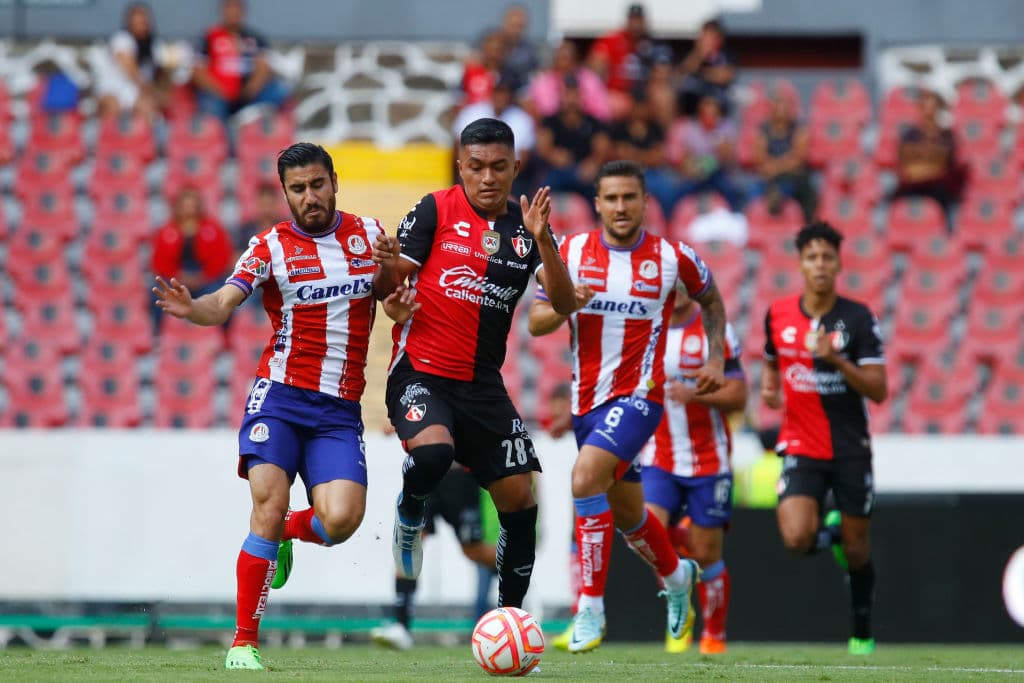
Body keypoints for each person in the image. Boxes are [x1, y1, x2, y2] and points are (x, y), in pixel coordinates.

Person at [152, 143, 409, 671]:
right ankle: (243, 642)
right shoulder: (269, 246)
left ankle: (292, 531)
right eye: (298, 189)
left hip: (339, 409)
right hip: (281, 398)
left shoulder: (368, 234)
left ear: (334, 182)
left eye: (317, 185)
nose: (310, 197)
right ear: (285, 193)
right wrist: (192, 308)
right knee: (265, 507)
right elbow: (223, 302)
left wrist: (392, 285)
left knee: (341, 522)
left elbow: (387, 290)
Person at [371, 119, 576, 619]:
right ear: (461, 166)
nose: (487, 178)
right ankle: (409, 511)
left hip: (483, 386)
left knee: (520, 500)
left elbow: (565, 302)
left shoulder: (529, 229)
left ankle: (510, 618)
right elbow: (387, 287)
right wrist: (387, 276)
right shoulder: (434, 208)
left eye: (498, 167)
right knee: (435, 454)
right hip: (421, 371)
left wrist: (542, 240)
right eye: (477, 167)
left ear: (515, 168)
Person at [527, 159, 728, 653]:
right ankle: (677, 576)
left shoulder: (672, 257)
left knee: (583, 477)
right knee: (632, 518)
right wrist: (565, 303)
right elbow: (535, 322)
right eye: (611, 198)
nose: (620, 207)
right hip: (586, 404)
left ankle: (589, 609)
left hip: (641, 397)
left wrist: (718, 355)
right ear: (597, 204)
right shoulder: (570, 251)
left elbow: (713, 300)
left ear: (644, 202)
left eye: (629, 198)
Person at [761, 221, 888, 656]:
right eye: (812, 257)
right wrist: (768, 386)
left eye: (827, 257)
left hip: (850, 446)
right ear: (800, 264)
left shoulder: (857, 318)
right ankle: (826, 533)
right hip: (800, 442)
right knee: (796, 538)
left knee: (857, 550)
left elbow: (878, 388)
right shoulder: (778, 313)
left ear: (838, 264)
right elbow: (771, 356)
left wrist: (834, 359)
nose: (819, 265)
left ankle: (862, 630)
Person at [638, 294, 747, 654]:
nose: (679, 286)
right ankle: (678, 601)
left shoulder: (716, 331)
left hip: (709, 461)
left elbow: (739, 395)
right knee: (643, 533)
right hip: (660, 457)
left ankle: (714, 633)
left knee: (706, 553)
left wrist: (695, 395)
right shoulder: (644, 327)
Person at [370, 464, 498, 651]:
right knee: (410, 543)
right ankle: (401, 626)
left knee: (473, 550)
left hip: (461, 476)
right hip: (424, 474)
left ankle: (519, 569)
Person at [192, 0, 289, 122]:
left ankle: (256, 127)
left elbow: (263, 68)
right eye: (229, 7)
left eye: (237, 8)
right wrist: (221, 92)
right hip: (217, 94)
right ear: (222, 11)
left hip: (249, 95)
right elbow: (198, 72)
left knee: (278, 90)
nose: (233, 12)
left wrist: (248, 92)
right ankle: (223, 135)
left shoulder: (255, 37)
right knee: (209, 103)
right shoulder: (208, 37)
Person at [151, 186, 234, 325]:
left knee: (222, 293)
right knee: (157, 292)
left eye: (192, 204)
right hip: (176, 278)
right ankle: (159, 330)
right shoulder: (166, 230)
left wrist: (203, 277)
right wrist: (179, 276)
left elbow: (221, 257)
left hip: (206, 278)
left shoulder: (213, 228)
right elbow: (159, 261)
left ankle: (223, 332)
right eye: (185, 205)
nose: (189, 208)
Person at [453, 75, 537, 198]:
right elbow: (458, 148)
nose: (500, 97)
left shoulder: (523, 119)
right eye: (497, 91)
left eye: (504, 92)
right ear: (490, 92)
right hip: (474, 173)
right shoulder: (471, 113)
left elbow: (523, 159)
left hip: (510, 178)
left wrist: (500, 180)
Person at [535, 76, 612, 203]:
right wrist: (553, 155)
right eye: (567, 94)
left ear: (581, 96)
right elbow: (543, 147)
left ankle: (597, 221)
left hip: (584, 171)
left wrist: (592, 164)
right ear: (561, 96)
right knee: (543, 189)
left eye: (574, 94)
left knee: (599, 192)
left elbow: (603, 148)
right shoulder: (550, 121)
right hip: (558, 171)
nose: (571, 99)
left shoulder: (593, 122)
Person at [890, 89, 964, 221]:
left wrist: (924, 162)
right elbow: (906, 166)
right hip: (912, 186)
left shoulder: (946, 135)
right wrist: (930, 162)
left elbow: (945, 164)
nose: (928, 110)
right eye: (924, 105)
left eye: (932, 105)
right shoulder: (909, 135)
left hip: (938, 188)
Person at [751, 91, 817, 222]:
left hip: (794, 178)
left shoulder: (799, 129)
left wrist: (775, 167)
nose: (782, 111)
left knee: (806, 192)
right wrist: (780, 165)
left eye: (785, 107)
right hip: (770, 178)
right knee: (752, 194)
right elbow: (760, 159)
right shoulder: (763, 130)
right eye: (778, 106)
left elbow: (798, 159)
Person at [95, 2, 168, 118]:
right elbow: (131, 71)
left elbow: (161, 72)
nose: (141, 25)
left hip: (136, 92)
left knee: (150, 109)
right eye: (137, 22)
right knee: (113, 107)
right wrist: (151, 91)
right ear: (129, 22)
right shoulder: (121, 39)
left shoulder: (153, 44)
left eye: (143, 21)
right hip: (113, 89)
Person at [526, 39, 611, 122]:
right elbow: (545, 111)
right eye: (559, 58)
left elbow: (602, 112)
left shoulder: (591, 81)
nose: (563, 63)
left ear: (575, 60)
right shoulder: (543, 82)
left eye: (566, 58)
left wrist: (578, 105)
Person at [677, 19, 736, 117]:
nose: (708, 40)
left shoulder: (726, 54)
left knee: (709, 104)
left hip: (717, 107)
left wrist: (700, 72)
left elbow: (725, 76)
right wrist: (700, 53)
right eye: (705, 35)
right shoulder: (693, 54)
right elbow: (684, 70)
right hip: (692, 105)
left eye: (712, 36)